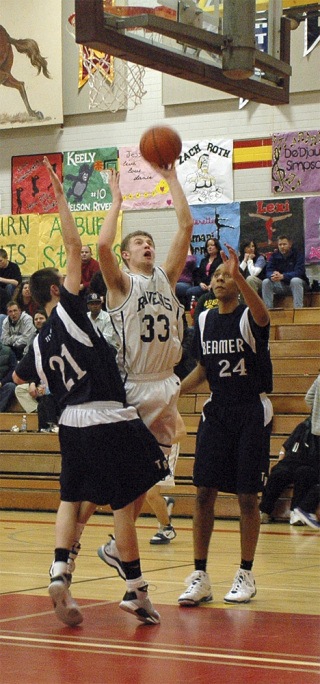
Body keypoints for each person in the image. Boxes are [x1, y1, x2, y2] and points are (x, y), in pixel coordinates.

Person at [13, 157, 169, 628]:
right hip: (109, 417)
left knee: (71, 497)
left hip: (71, 425)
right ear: (58, 290)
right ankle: (135, 590)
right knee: (128, 499)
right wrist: (94, 198)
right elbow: (76, 242)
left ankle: (61, 567)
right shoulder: (71, 312)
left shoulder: (36, 344)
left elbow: (22, 382)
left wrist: (42, 386)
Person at [97, 165, 194, 547]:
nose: (147, 245)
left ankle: (116, 546)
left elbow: (185, 227)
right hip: (134, 387)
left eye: (149, 241)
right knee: (129, 476)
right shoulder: (121, 284)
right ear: (126, 255)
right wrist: (117, 201)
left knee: (149, 477)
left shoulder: (166, 278)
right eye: (138, 243)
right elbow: (102, 247)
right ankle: (80, 543)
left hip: (166, 384)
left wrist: (171, 179)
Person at [177, 244, 273, 606]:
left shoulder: (250, 316)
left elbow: (263, 316)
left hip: (251, 409)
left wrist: (240, 277)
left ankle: (246, 572)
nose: (219, 279)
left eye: (226, 275)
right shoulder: (203, 320)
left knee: (248, 498)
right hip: (217, 410)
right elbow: (203, 369)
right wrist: (174, 393)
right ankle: (200, 574)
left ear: (238, 283)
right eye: (216, 275)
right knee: (203, 493)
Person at [259, 416, 319, 525]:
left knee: (304, 473)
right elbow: (285, 446)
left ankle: (296, 512)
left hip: (311, 463)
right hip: (292, 460)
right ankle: (264, 510)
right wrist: (280, 462)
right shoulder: (304, 426)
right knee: (278, 472)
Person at [261, 235, 309, 309]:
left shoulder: (298, 254)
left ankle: (298, 310)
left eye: (284, 244)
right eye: (280, 244)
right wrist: (273, 276)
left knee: (295, 280)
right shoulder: (274, 256)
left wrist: (283, 276)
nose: (282, 246)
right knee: (266, 282)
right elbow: (268, 271)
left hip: (299, 285)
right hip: (282, 285)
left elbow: (299, 272)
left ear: (290, 244)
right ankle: (268, 311)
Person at [185, 238, 222, 307]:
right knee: (190, 292)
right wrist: (200, 283)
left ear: (217, 247)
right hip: (204, 286)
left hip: (215, 285)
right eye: (208, 246)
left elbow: (221, 274)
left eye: (212, 245)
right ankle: (195, 310)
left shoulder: (221, 260)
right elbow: (198, 275)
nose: (209, 247)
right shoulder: (204, 261)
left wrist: (212, 284)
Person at [0, 248, 22, 314]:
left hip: (10, 290)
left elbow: (16, 282)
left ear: (6, 258)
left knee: (9, 287)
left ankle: (9, 306)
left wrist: (1, 279)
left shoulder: (13, 267)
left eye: (0, 261)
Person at [175, 244, 197, 309]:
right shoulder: (178, 260)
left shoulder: (191, 259)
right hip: (177, 283)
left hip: (186, 284)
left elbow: (191, 260)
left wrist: (187, 247)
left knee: (173, 287)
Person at [0, 339, 17, 411]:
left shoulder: (8, 351)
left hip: (3, 385)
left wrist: (2, 382)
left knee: (11, 386)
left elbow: (14, 370)